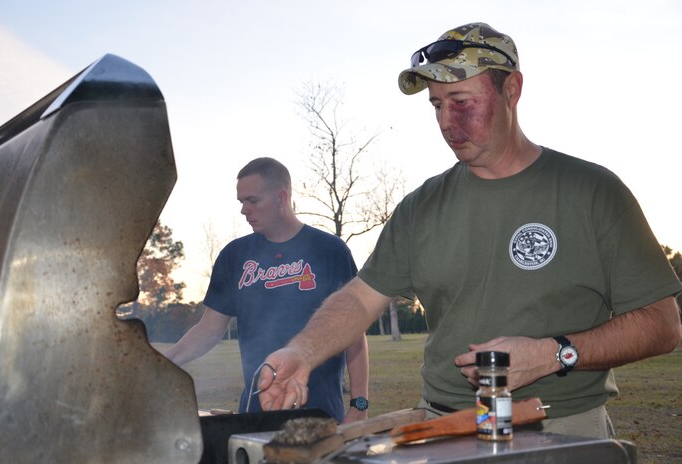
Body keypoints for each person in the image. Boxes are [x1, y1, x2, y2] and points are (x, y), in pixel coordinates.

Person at [256, 23, 682, 438]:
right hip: (442, 426)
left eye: (462, 101)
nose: (446, 121)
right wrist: (301, 352)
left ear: (512, 89)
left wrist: (553, 354)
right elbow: (359, 298)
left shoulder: (591, 191)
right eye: (437, 105)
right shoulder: (420, 207)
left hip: (560, 427)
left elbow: (662, 325)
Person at [165, 157, 369, 424]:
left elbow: (353, 331)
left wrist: (359, 404)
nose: (244, 210)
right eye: (241, 202)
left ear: (281, 197)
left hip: (320, 413)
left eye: (252, 201)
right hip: (255, 412)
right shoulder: (234, 256)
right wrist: (164, 363)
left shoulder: (330, 250)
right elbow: (209, 329)